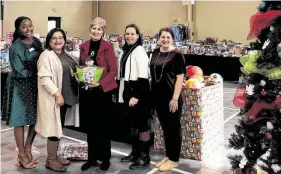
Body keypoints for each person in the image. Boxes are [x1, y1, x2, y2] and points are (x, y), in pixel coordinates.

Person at [1, 16, 43, 169]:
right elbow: (19, 71)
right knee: (19, 120)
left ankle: (27, 148)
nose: (28, 29)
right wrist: (40, 73)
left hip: (34, 85)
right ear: (18, 29)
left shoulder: (37, 42)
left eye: (30, 25)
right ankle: (21, 154)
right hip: (19, 85)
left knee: (34, 119)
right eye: (24, 27)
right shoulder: (15, 47)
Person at [36, 28, 79, 172]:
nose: (57, 40)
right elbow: (44, 78)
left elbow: (70, 70)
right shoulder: (46, 55)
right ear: (48, 40)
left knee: (59, 127)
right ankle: (50, 160)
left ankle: (55, 155)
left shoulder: (64, 54)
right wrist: (57, 94)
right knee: (54, 130)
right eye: (54, 38)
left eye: (60, 37)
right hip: (56, 98)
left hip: (67, 96)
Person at [78, 17, 117, 171]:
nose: (96, 31)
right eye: (94, 28)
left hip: (102, 92)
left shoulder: (108, 47)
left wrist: (100, 84)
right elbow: (81, 65)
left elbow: (113, 70)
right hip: (88, 92)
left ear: (103, 31)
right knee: (90, 126)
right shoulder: (84, 46)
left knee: (104, 127)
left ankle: (105, 158)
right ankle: (91, 158)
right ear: (90, 29)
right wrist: (78, 74)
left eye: (99, 29)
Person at [149, 27, 186, 172]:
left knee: (173, 128)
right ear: (159, 38)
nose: (165, 40)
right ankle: (169, 155)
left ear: (172, 39)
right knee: (165, 127)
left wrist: (175, 98)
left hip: (171, 97)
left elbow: (180, 78)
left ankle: (174, 159)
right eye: (162, 37)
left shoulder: (177, 55)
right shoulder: (156, 52)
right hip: (158, 97)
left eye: (168, 38)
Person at [117, 24, 151, 170]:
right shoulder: (125, 50)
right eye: (127, 34)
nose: (129, 36)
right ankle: (135, 153)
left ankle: (144, 157)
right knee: (133, 125)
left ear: (138, 35)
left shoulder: (140, 51)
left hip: (139, 93)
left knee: (142, 126)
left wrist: (136, 96)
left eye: (132, 34)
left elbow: (143, 76)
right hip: (127, 91)